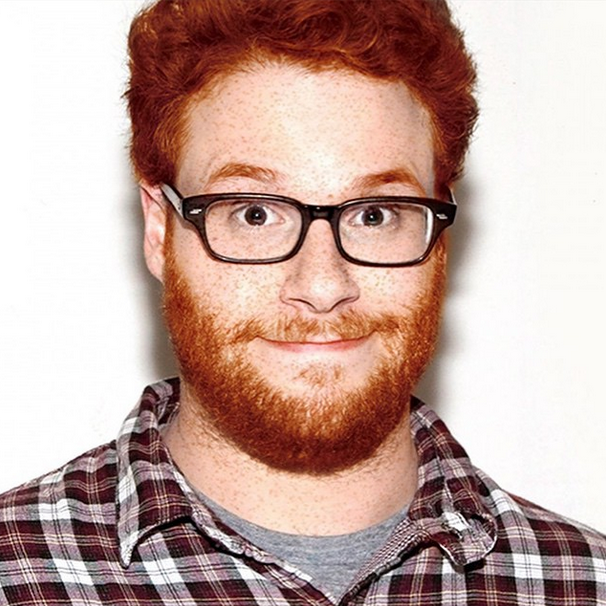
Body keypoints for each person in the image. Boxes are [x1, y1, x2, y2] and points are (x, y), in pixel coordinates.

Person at [0, 0, 604, 604]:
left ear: (440, 234)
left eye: (375, 215)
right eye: (254, 214)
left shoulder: (585, 583)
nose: (321, 286)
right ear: (159, 230)